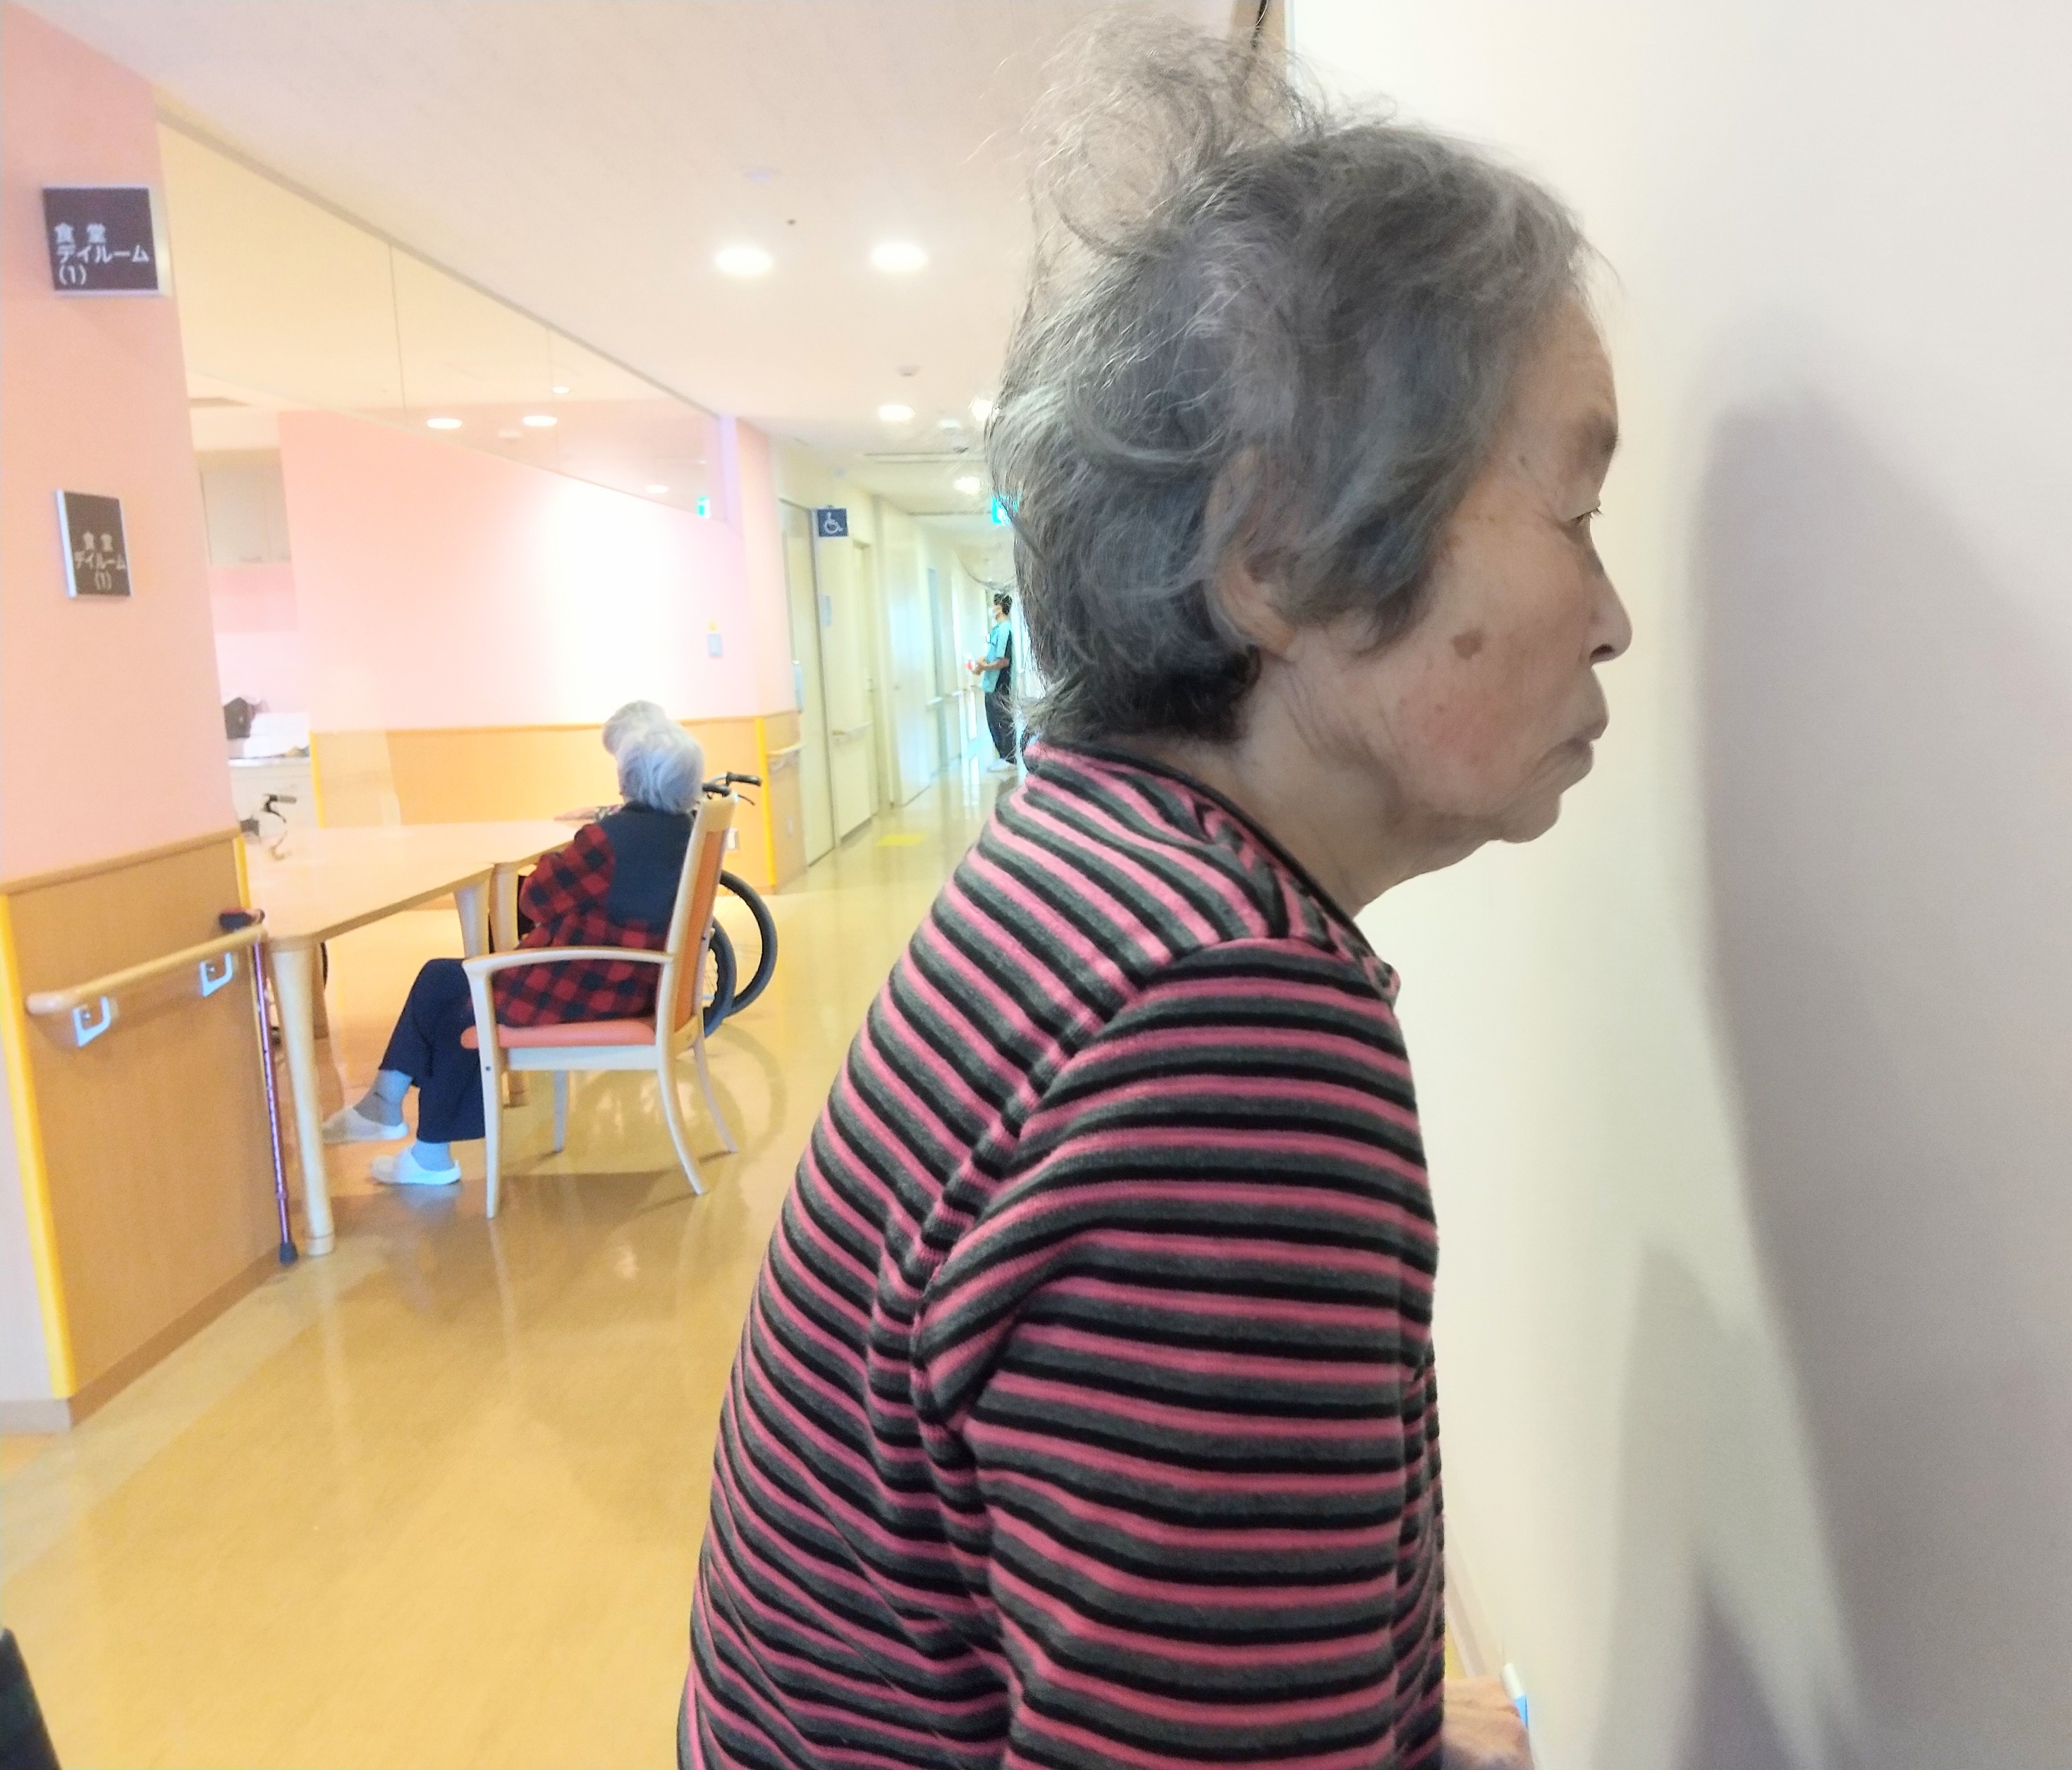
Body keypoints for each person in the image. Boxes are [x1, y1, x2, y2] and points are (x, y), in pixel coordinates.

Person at [683, 25, 1627, 1770]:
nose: (1614, 616)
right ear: (1272, 555)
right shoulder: (1223, 1026)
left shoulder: (1090, 867)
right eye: (1573, 509)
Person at [322, 720, 708, 1185]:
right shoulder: (686, 831)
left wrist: (560, 858)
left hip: (590, 984)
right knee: (442, 978)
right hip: (635, 980)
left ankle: (425, 1151)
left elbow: (534, 902)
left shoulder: (610, 840)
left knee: (463, 1011)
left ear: (631, 777)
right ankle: (388, 1106)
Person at [965, 589, 1018, 769]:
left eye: (994, 605)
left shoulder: (1005, 630)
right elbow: (994, 656)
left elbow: (1004, 661)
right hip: (991, 685)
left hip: (1001, 685)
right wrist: (982, 663)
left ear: (1000, 608)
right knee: (994, 723)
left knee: (1003, 722)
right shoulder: (997, 630)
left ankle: (1010, 759)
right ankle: (1004, 757)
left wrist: (984, 667)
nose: (992, 609)